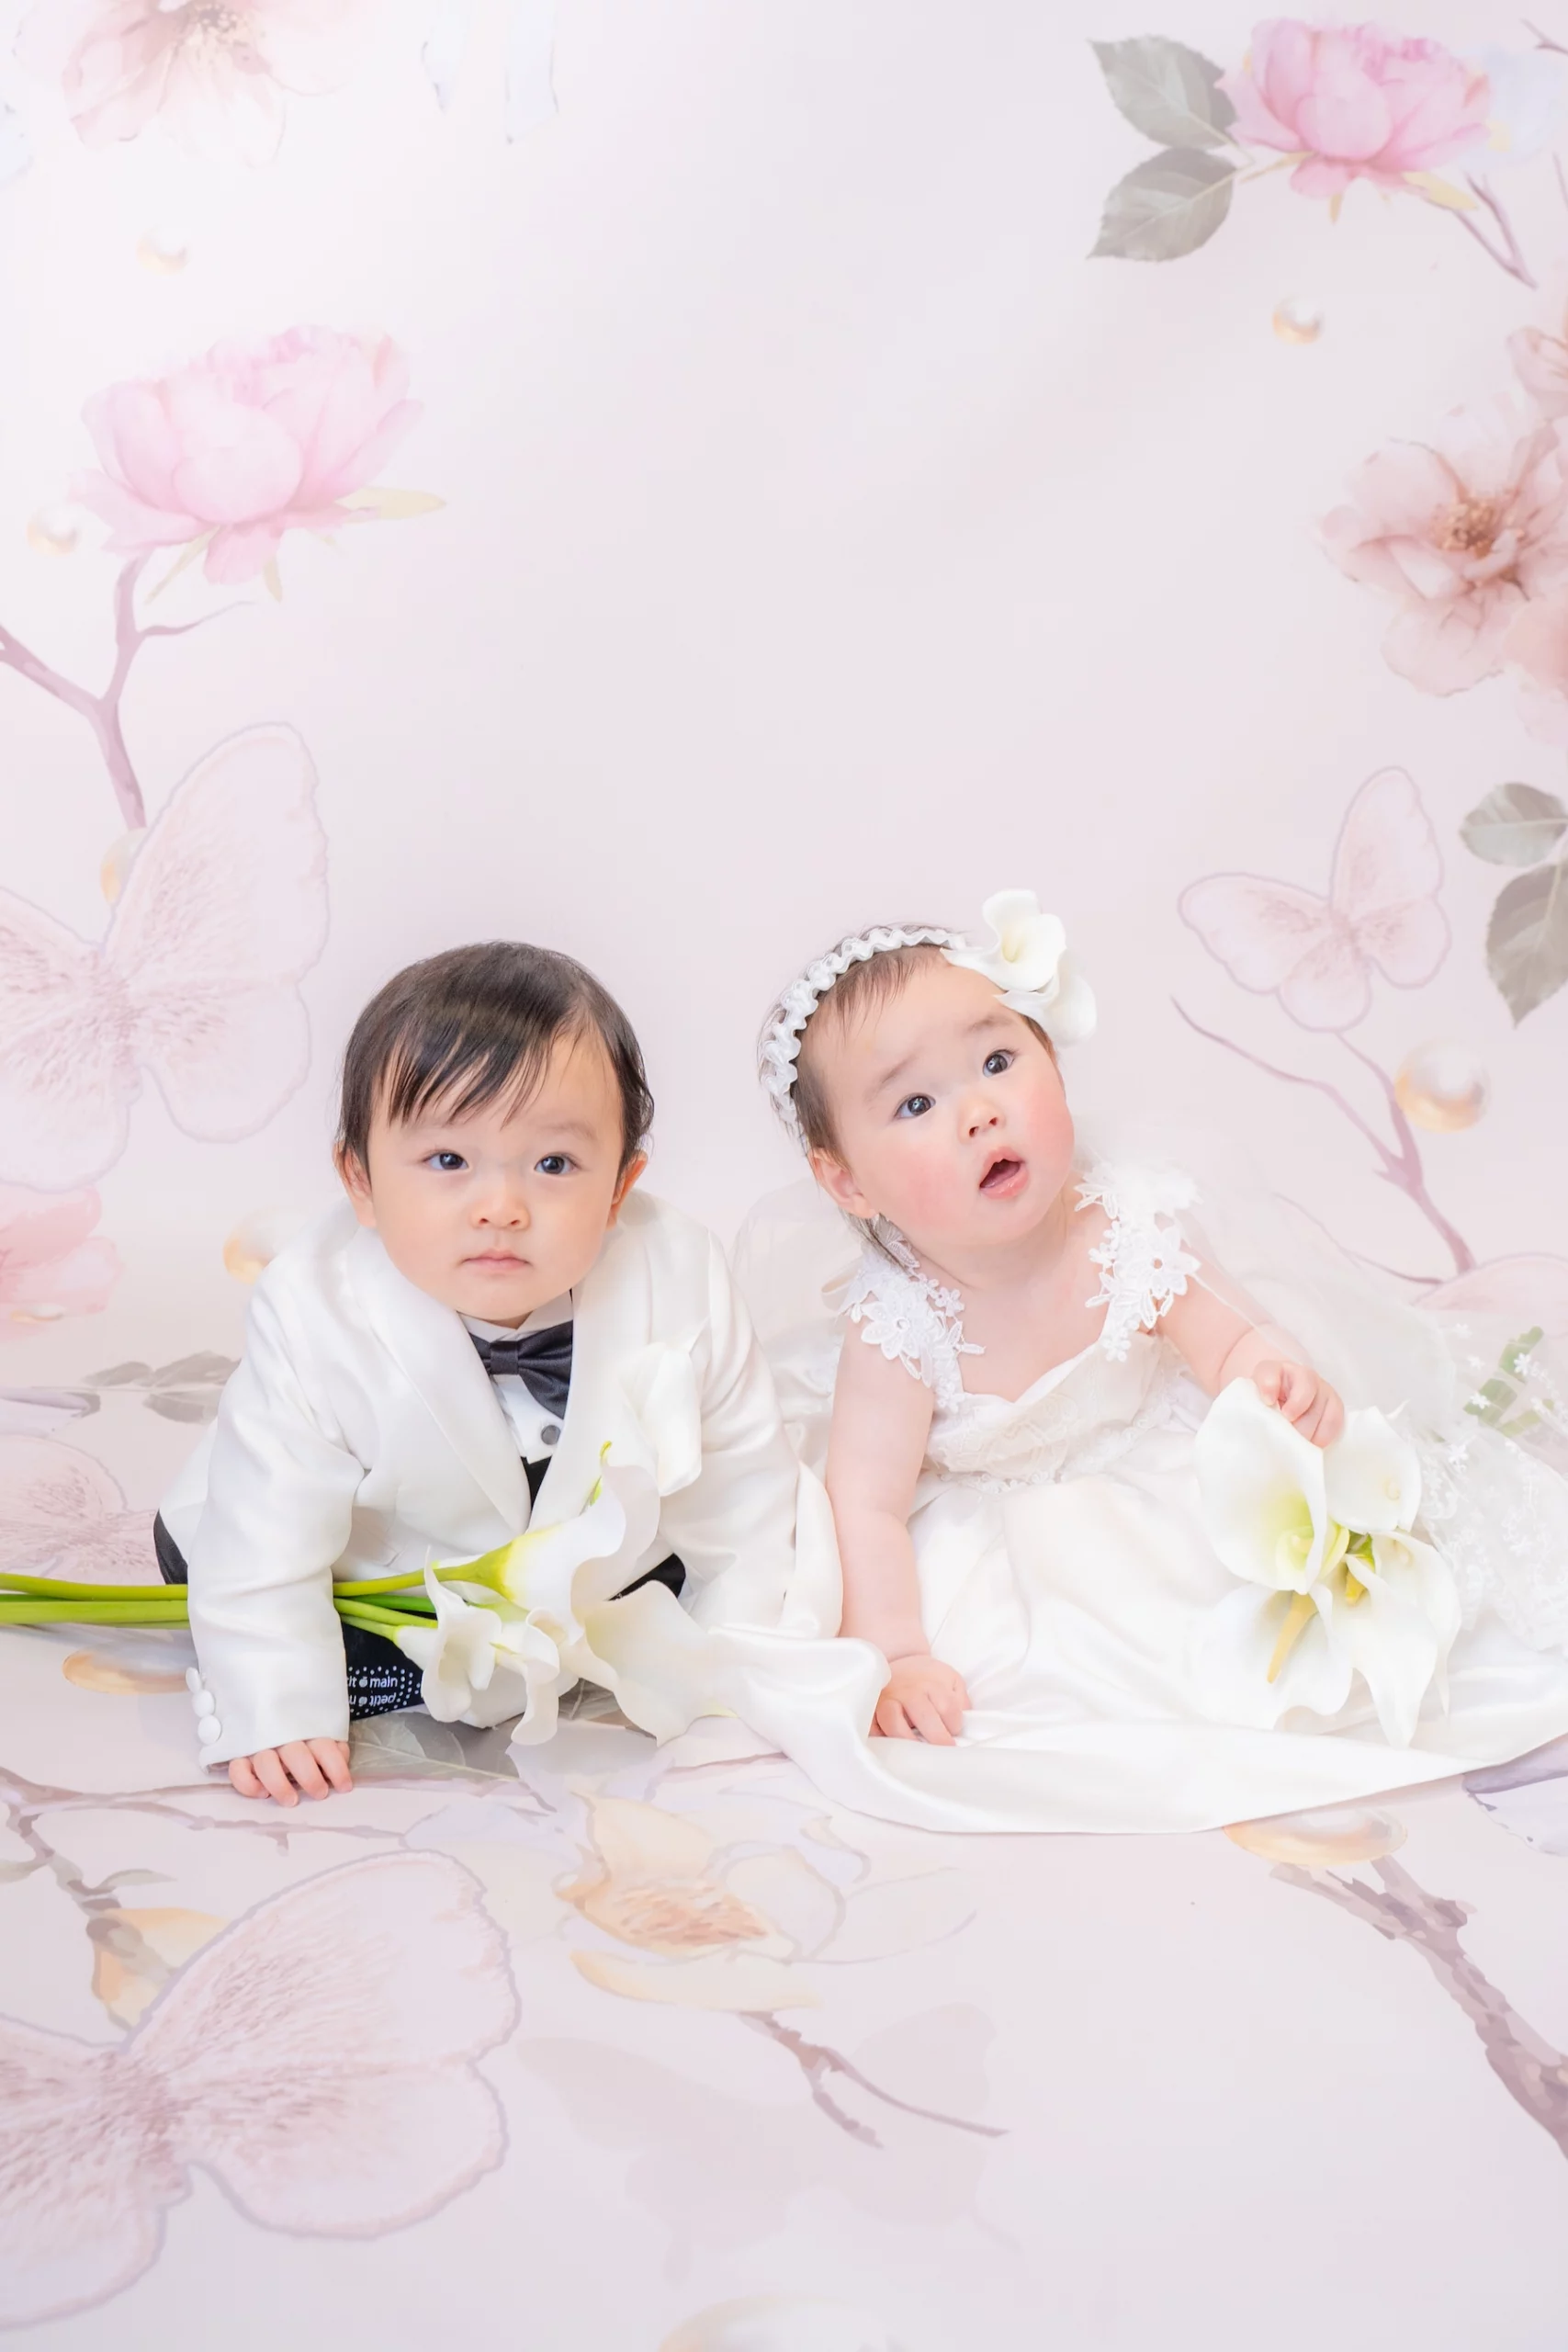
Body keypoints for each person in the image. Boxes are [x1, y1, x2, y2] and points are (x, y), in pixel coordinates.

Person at [725, 892, 1568, 1834]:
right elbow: (868, 1506)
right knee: (1047, 1684)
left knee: (1285, 1622)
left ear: (1052, 1063)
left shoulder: (1121, 1225)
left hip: (1162, 1474)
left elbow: (1227, 1335)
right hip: (1004, 1539)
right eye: (915, 1104)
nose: (980, 1113)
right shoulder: (898, 1323)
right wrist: (896, 1652)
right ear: (847, 1181)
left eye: (998, 1062)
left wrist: (1271, 1376)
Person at [158, 940, 833, 1806]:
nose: (501, 1208)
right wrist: (275, 1700)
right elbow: (266, 1533)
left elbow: (743, 1489)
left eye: (554, 1165)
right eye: (448, 1161)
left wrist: (736, 1670)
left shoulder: (679, 1271)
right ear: (360, 1181)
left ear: (620, 1187)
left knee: (666, 1596)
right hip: (374, 1560)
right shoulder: (312, 1305)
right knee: (341, 1648)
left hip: (584, 1550)